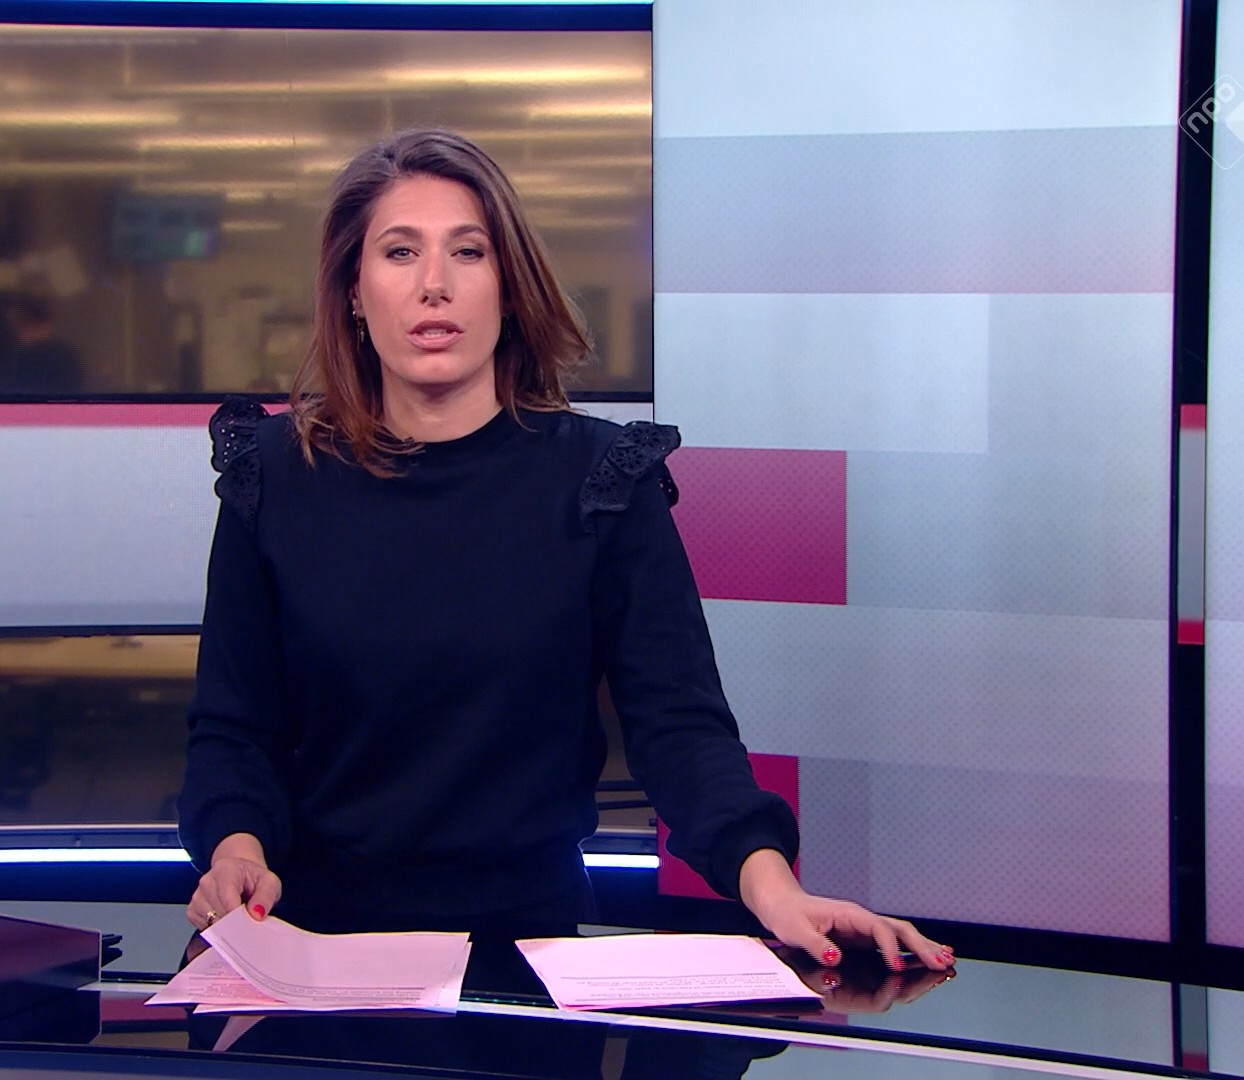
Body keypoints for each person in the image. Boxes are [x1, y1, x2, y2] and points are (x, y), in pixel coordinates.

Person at [178, 129, 951, 972]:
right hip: (308, 954)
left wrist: (774, 889)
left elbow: (678, 724)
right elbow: (234, 727)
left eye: (468, 252)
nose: (434, 283)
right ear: (354, 293)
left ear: (509, 287)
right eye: (400, 252)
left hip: (524, 950)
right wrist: (235, 849)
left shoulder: (601, 481)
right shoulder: (275, 477)